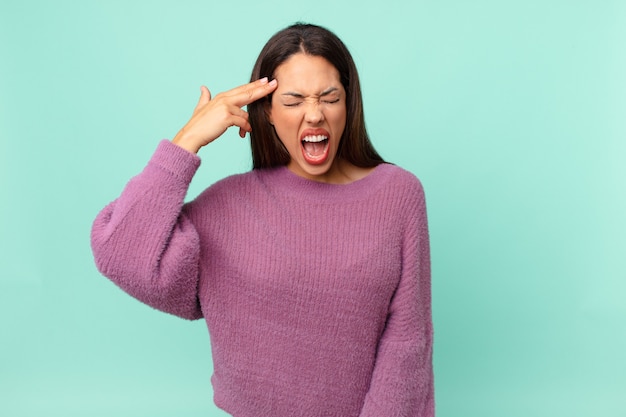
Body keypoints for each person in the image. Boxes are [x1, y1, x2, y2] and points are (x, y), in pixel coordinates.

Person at [91, 23, 434, 416]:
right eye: (293, 101)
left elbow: (408, 342)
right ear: (267, 112)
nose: (314, 114)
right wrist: (187, 141)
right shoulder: (227, 206)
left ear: (348, 103)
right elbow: (118, 251)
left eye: (329, 97)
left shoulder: (399, 194)